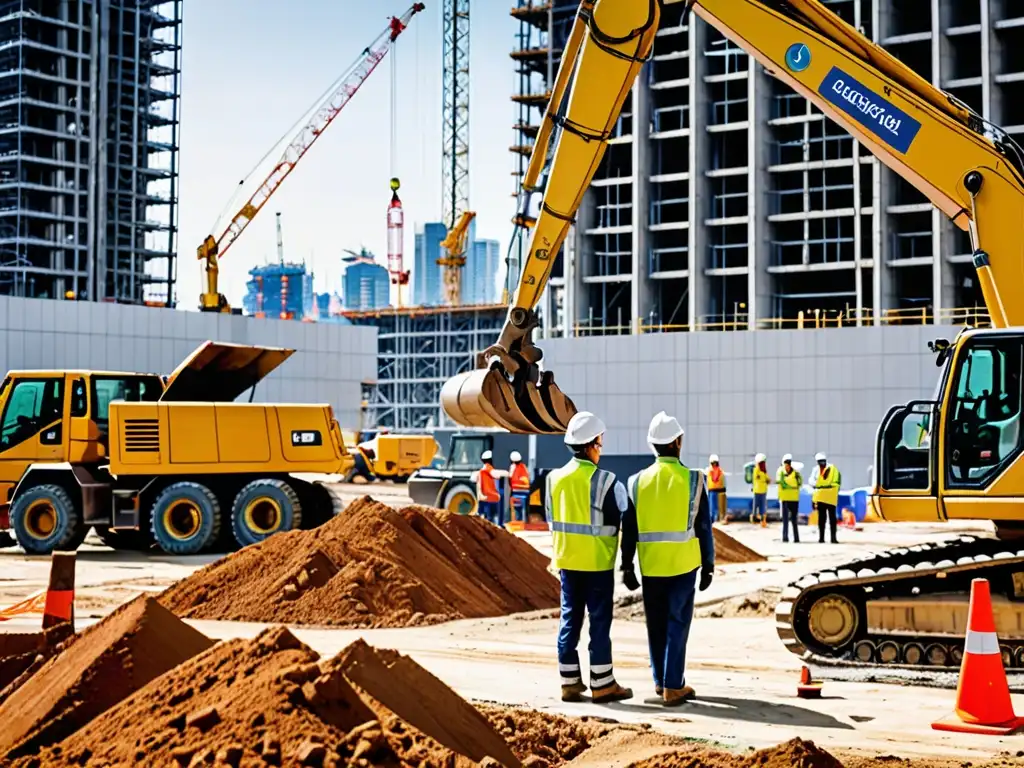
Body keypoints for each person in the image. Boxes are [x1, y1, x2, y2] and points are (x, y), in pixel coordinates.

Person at [621, 412, 715, 706]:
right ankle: (674, 685)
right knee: (677, 624)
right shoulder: (694, 479)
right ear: (677, 442)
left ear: (652, 445)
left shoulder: (636, 482)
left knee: (657, 625)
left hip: (651, 565)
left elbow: (630, 529)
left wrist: (626, 565)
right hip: (683, 565)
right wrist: (709, 564)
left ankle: (661, 681)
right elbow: (703, 528)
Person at [546, 411, 633, 704]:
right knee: (599, 624)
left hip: (567, 563)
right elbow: (623, 517)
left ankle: (569, 682)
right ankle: (603, 683)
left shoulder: (553, 479)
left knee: (569, 619)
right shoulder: (607, 481)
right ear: (592, 445)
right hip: (597, 564)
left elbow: (551, 518)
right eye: (601, 442)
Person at [812, 452, 841, 544]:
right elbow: (811, 481)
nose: (822, 463)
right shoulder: (816, 470)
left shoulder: (832, 469)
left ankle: (831, 538)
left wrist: (819, 486)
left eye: (823, 461)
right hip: (824, 497)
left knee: (830, 519)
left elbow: (814, 483)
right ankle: (823, 538)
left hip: (827, 497)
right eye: (820, 462)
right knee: (823, 519)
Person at [776, 454, 802, 543]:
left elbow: (799, 483)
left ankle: (795, 538)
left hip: (792, 499)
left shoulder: (792, 472)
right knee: (786, 520)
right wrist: (792, 486)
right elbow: (781, 483)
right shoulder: (790, 472)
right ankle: (786, 537)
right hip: (786, 498)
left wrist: (788, 487)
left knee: (793, 520)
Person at [477, 450, 501, 526]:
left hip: (486, 498)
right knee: (494, 517)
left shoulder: (481, 472)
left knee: (487, 518)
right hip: (494, 498)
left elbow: (479, 486)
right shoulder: (494, 471)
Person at [509, 450, 531, 521]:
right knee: (525, 507)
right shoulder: (524, 467)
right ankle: (525, 520)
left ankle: (517, 521)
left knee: (516, 509)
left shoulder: (513, 467)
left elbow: (510, 478)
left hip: (516, 492)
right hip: (526, 491)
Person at [706, 454, 727, 523]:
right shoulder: (720, 471)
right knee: (715, 507)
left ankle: (713, 519)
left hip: (713, 491)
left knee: (712, 507)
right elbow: (723, 481)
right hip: (717, 491)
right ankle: (717, 519)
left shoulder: (709, 470)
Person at [750, 453, 770, 525]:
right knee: (757, 505)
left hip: (762, 490)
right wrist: (765, 479)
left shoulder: (763, 471)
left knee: (761, 506)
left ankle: (762, 520)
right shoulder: (757, 470)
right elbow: (760, 478)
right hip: (758, 490)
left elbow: (767, 479)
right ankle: (754, 518)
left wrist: (766, 479)